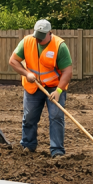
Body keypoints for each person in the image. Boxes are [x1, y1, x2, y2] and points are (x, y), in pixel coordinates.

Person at [8, 19, 73, 157]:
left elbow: (67, 71)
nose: (39, 39)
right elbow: (13, 61)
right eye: (37, 36)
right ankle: (27, 145)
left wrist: (59, 91)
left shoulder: (59, 46)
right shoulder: (27, 42)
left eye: (42, 36)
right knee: (29, 117)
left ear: (50, 33)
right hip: (33, 86)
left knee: (56, 117)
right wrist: (26, 73)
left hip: (55, 87)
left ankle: (57, 151)